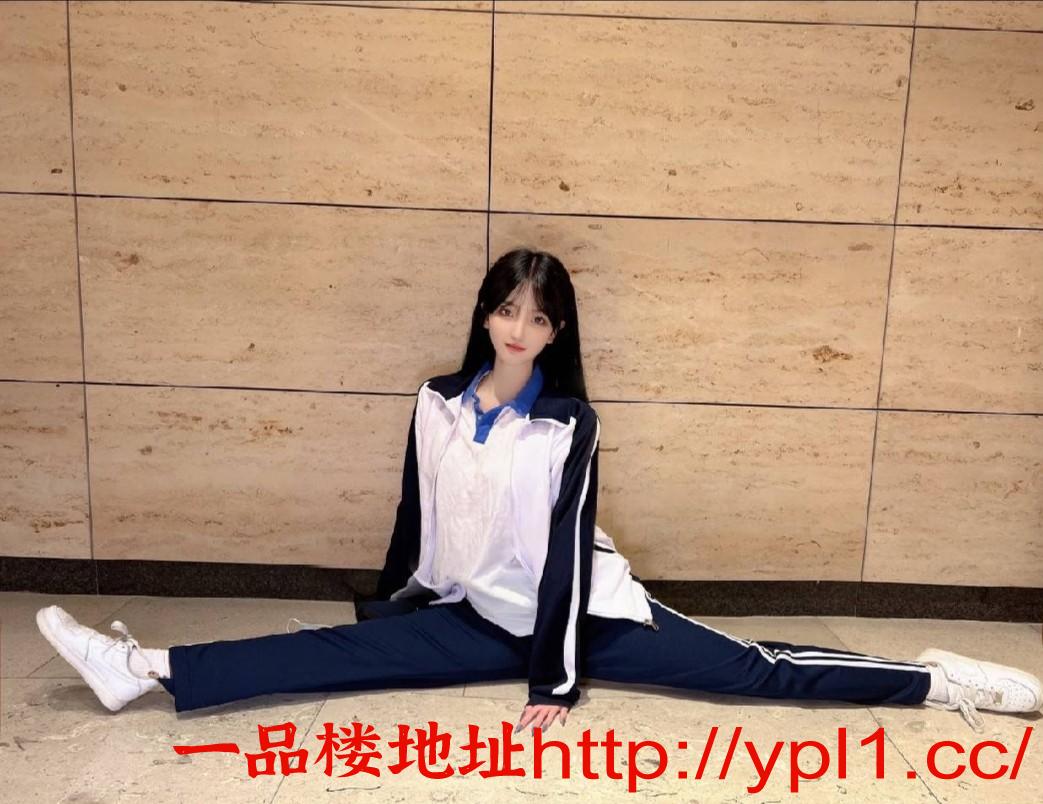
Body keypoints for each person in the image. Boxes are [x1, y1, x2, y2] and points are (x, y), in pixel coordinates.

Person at [36, 248, 1041, 736]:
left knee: (754, 672)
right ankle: (144, 667)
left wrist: (554, 684)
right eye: (506, 309)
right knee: (335, 653)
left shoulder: (567, 425)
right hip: (479, 611)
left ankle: (941, 682)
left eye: (538, 317)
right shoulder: (434, 402)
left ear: (557, 333)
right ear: (484, 313)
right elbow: (414, 515)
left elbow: (562, 552)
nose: (517, 329)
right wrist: (394, 606)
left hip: (585, 617)